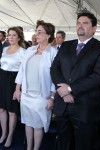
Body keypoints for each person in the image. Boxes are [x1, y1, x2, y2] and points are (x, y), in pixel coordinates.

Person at [51, 11, 100, 150]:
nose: (80, 26)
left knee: (84, 144)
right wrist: (63, 91)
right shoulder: (66, 46)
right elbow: (54, 68)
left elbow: (99, 76)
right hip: (63, 104)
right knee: (63, 142)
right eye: (78, 23)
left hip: (85, 107)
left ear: (94, 29)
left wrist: (71, 89)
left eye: (85, 23)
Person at [13, 20, 57, 150]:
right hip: (26, 94)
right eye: (36, 31)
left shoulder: (53, 52)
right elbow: (22, 70)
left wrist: (52, 97)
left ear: (48, 35)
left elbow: (56, 77)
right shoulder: (30, 50)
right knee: (27, 123)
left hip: (42, 96)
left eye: (40, 32)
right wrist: (17, 89)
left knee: (38, 125)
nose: (36, 35)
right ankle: (28, 148)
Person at [0, 27, 26, 149]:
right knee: (1, 109)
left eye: (14, 35)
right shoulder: (4, 49)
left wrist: (17, 88)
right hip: (2, 80)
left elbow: (22, 72)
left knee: (11, 111)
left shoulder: (23, 51)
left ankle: (10, 135)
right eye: (9, 35)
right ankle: (4, 133)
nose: (10, 37)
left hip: (14, 81)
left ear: (19, 37)